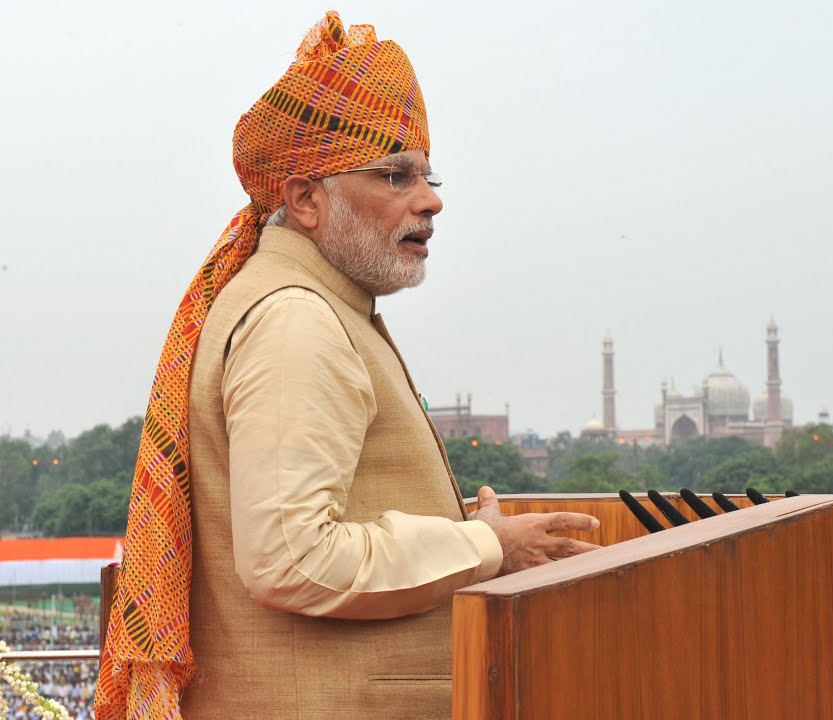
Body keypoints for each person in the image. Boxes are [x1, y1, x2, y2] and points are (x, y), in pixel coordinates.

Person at [94, 11, 602, 720]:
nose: (431, 200)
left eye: (427, 175)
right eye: (396, 175)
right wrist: (483, 546)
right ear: (305, 199)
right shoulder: (297, 322)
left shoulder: (323, 308)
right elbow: (292, 556)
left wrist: (468, 534)